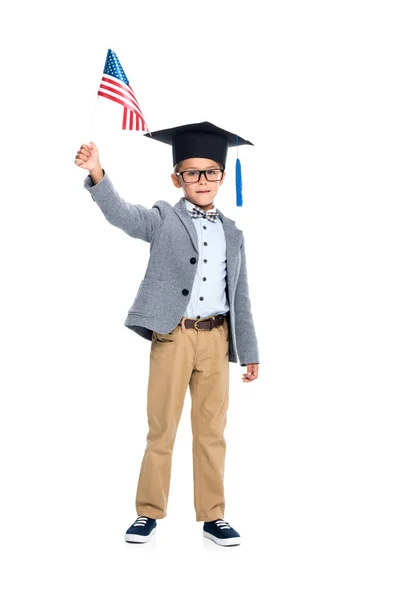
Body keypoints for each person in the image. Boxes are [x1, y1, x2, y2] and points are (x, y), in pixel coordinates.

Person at [74, 121, 260, 547]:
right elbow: (123, 215)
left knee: (212, 430)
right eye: (192, 172)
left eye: (210, 171)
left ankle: (213, 516)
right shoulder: (163, 218)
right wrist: (99, 173)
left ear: (222, 176)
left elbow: (241, 295)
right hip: (173, 337)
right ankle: (148, 513)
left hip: (216, 339)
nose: (202, 180)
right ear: (177, 177)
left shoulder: (234, 233)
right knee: (162, 428)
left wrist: (248, 350)